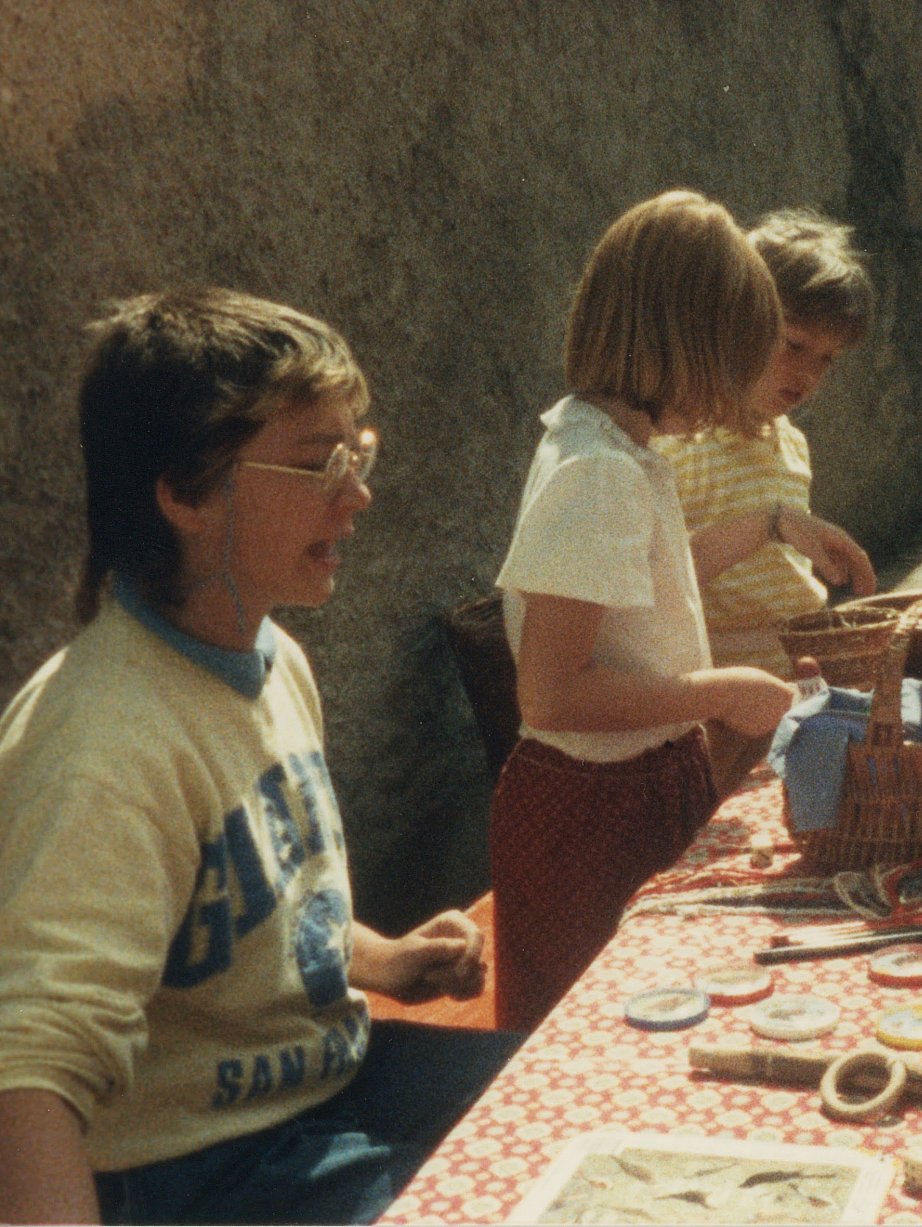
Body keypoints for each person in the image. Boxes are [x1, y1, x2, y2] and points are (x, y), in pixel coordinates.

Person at [0, 288, 522, 1225]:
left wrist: (383, 959)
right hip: (198, 1167)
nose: (357, 495)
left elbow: (257, 906)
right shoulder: (101, 747)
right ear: (185, 492)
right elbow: (28, 1068)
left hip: (334, 1082)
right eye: (320, 463)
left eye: (358, 454)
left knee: (580, 1095)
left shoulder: (277, 660)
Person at [491, 190, 844, 1032]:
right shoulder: (597, 470)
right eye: (733, 359)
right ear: (684, 343)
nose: (736, 390)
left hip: (641, 783)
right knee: (598, 1032)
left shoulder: (621, 449)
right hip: (590, 810)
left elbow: (643, 610)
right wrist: (718, 691)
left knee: (674, 1007)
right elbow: (551, 695)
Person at [655, 207, 878, 798]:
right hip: (724, 703)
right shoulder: (679, 442)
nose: (808, 374)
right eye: (794, 345)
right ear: (734, 321)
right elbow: (660, 581)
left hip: (797, 686)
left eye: (826, 359)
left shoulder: (791, 443)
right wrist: (768, 525)